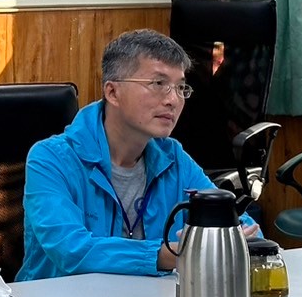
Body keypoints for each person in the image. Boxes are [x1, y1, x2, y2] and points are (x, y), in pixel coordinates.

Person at [18, 28, 258, 280]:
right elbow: (71, 250)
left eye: (180, 87)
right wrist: (169, 255)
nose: (173, 100)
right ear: (113, 92)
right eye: (158, 84)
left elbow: (240, 224)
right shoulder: (50, 159)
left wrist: (237, 237)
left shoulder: (173, 157)